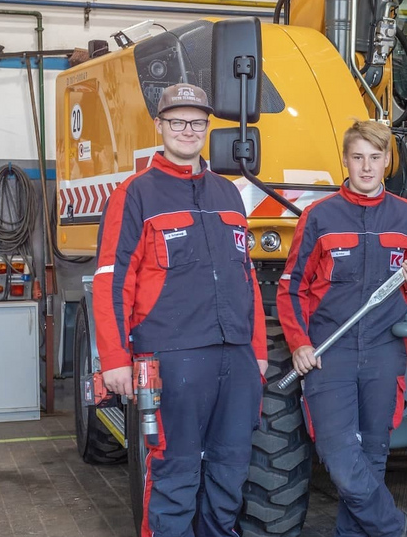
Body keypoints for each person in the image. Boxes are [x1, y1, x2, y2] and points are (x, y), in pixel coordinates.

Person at [92, 83, 268, 537]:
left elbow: (246, 279)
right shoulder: (135, 194)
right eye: (177, 121)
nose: (187, 131)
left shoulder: (229, 194)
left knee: (230, 473)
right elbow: (111, 281)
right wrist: (114, 359)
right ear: (160, 126)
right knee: (175, 474)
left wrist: (258, 350)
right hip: (170, 358)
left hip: (235, 358)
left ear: (207, 128)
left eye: (197, 122)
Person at [277, 120, 407, 537]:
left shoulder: (406, 215)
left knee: (373, 457)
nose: (366, 167)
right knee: (342, 459)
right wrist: (299, 342)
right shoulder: (320, 217)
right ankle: (394, 526)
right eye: (358, 157)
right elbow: (291, 289)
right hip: (330, 351)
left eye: (375, 158)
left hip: (383, 349)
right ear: (345, 160)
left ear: (386, 162)